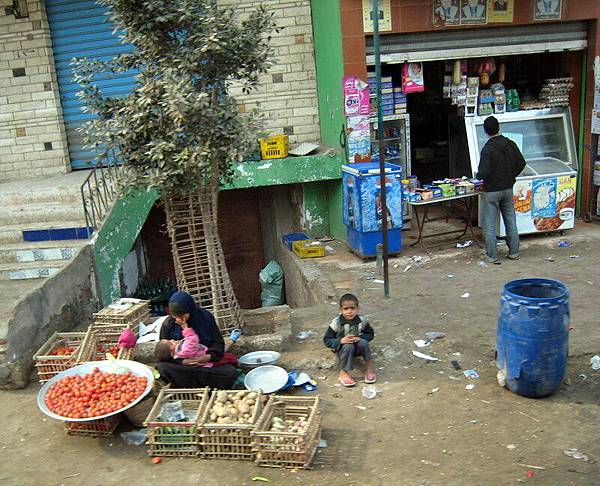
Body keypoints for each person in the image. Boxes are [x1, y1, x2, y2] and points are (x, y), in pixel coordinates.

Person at [156, 291, 238, 389]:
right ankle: (196, 385)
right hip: (184, 368)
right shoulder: (168, 324)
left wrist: (208, 357)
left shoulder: (205, 317)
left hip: (205, 363)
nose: (180, 319)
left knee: (230, 373)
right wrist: (182, 362)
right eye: (175, 316)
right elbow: (164, 354)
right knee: (162, 368)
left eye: (183, 315)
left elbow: (218, 344)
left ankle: (193, 385)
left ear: (190, 310)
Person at [476, 116, 526, 264]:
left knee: (490, 224)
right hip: (508, 188)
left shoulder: (488, 149)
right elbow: (521, 163)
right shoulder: (510, 144)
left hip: (492, 191)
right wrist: (511, 176)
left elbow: (483, 172)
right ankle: (514, 252)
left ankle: (491, 255)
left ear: (486, 131)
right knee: (511, 221)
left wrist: (477, 176)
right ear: (499, 127)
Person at [323, 294, 376, 387]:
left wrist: (360, 338)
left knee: (363, 342)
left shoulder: (362, 321)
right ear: (341, 310)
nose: (349, 311)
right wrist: (340, 341)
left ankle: (369, 368)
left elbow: (370, 334)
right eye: (346, 309)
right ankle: (343, 372)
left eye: (352, 308)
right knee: (348, 346)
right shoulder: (336, 323)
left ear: (357, 308)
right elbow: (327, 340)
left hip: (357, 348)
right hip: (342, 350)